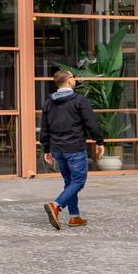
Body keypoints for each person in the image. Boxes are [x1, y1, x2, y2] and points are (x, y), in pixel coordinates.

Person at [40, 69, 105, 230]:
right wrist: (99, 141)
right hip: (75, 148)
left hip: (57, 149)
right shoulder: (79, 101)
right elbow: (91, 123)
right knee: (79, 181)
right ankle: (56, 205)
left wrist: (46, 149)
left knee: (70, 182)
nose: (75, 79)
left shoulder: (48, 103)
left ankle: (74, 217)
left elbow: (44, 128)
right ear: (68, 80)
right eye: (73, 77)